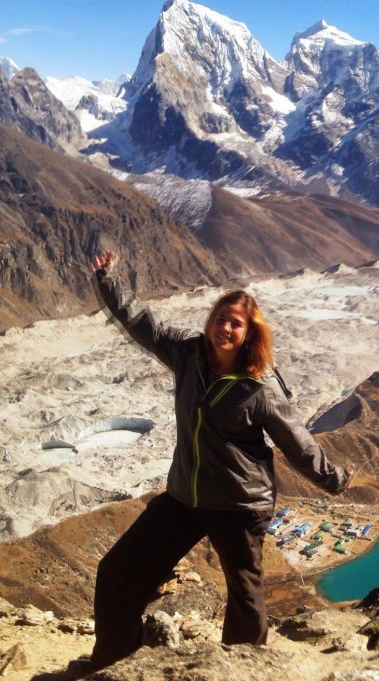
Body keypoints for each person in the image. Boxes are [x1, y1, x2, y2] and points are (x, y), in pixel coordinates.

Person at [77, 250, 352, 674]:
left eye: (236, 323)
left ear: (249, 333)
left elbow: (298, 444)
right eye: (221, 318)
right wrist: (108, 280)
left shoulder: (260, 387)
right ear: (211, 321)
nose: (226, 327)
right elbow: (142, 323)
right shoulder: (187, 355)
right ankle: (111, 663)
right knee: (117, 572)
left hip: (239, 505)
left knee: (245, 597)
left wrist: (335, 480)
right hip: (186, 495)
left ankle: (244, 671)